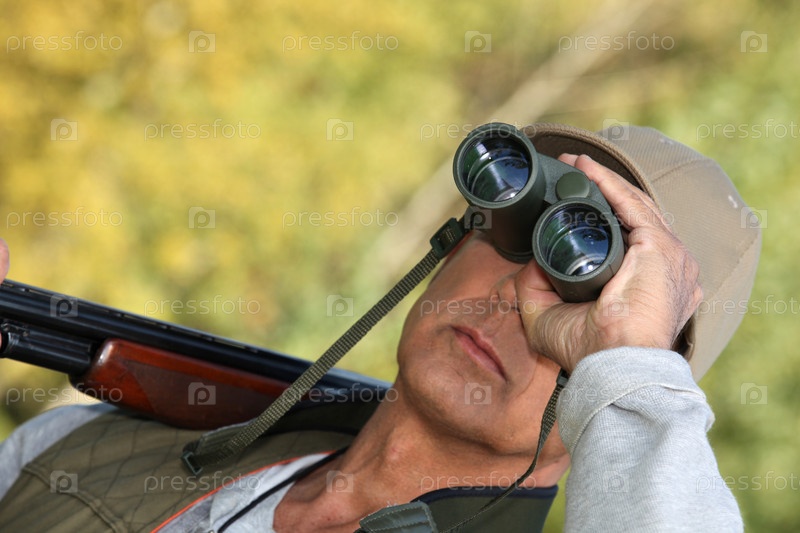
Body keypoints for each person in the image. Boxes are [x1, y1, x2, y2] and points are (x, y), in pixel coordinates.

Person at [0, 123, 759, 532]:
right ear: (454, 241)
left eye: (586, 294)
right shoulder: (83, 447)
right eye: (518, 235)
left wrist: (627, 367)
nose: (516, 296)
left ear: (628, 373)